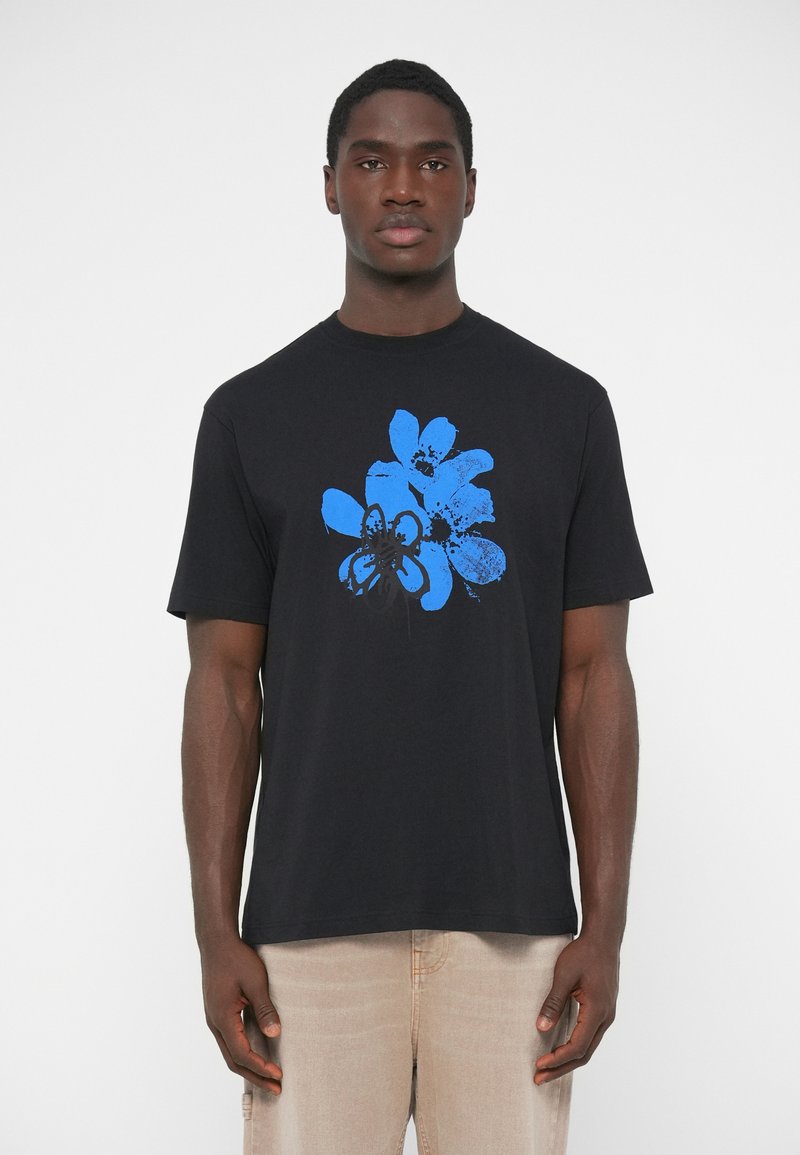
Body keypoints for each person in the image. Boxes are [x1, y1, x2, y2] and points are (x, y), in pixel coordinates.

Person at [167, 58, 654, 1155]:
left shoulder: (565, 408)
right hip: (307, 930)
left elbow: (594, 676)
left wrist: (605, 927)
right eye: (371, 161)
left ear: (470, 187)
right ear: (329, 185)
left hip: (515, 931)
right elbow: (222, 684)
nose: (401, 187)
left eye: (432, 163)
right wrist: (214, 933)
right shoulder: (249, 415)